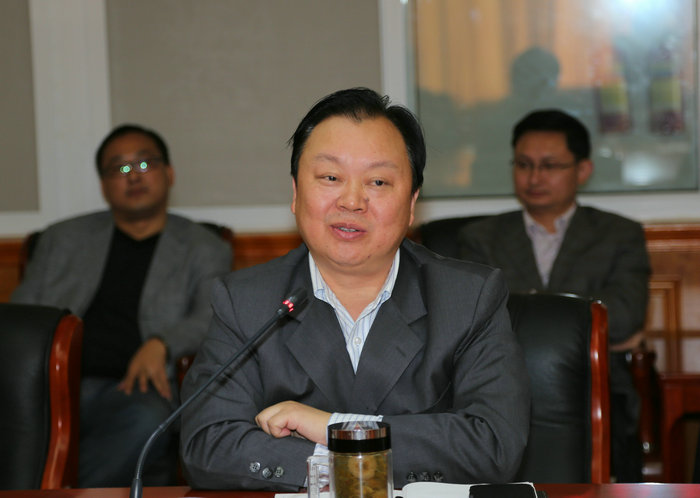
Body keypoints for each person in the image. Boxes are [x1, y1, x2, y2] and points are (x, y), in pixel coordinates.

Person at [179, 87, 530, 491]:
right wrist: (344, 459)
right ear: (295, 193)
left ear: (412, 203)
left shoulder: (468, 297)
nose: (351, 201)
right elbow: (207, 445)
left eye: (378, 181)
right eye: (330, 177)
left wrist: (333, 428)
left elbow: (493, 445)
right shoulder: (246, 301)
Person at [11, 123, 232, 487]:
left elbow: (213, 314)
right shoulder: (62, 239)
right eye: (119, 168)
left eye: (145, 164)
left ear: (169, 174)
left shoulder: (204, 247)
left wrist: (163, 343)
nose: (133, 176)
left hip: (135, 389)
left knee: (146, 419)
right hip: (51, 385)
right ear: (103, 185)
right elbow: (21, 314)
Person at [458, 109, 651, 482]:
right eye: (524, 165)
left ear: (583, 170)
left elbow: (626, 315)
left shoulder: (618, 234)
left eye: (549, 166)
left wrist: (526, 302)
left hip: (594, 386)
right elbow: (473, 319)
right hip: (498, 384)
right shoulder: (480, 238)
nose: (534, 178)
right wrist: (585, 311)